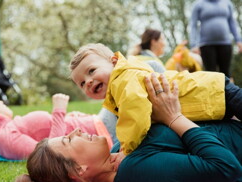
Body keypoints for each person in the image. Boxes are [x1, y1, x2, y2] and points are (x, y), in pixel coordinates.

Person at [15, 75, 242, 182]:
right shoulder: (135, 176)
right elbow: (225, 166)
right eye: (68, 140)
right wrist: (174, 117)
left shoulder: (121, 147)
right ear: (78, 170)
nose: (75, 131)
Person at [69, 43, 242, 155]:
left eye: (91, 71)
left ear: (113, 62)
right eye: (82, 83)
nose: (89, 81)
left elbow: (136, 114)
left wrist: (126, 150)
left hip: (211, 92)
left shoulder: (123, 80)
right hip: (210, 99)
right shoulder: (117, 89)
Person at [0, 93, 117, 160]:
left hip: (99, 125)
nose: (1, 101)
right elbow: (51, 154)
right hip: (104, 133)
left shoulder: (7, 131)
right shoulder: (6, 138)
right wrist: (59, 110)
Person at [190, 0, 242, 78]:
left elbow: (232, 23)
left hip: (225, 43)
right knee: (210, 73)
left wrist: (238, 40)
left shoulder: (227, 3)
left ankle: (226, 90)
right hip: (206, 45)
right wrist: (194, 44)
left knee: (226, 73)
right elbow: (193, 25)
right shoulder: (198, 4)